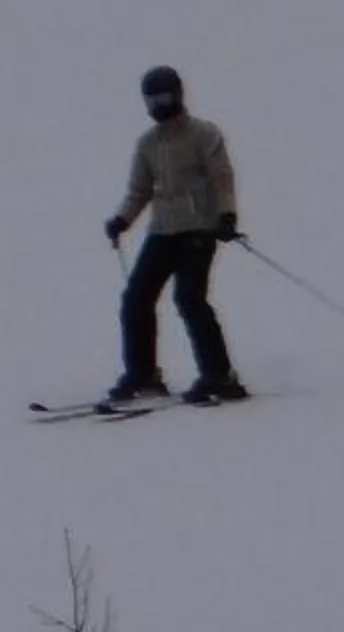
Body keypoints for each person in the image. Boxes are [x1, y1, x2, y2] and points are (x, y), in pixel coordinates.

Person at [103, 65, 250, 405]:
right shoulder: (148, 144)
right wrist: (122, 219)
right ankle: (143, 373)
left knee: (189, 297)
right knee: (136, 298)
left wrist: (226, 215)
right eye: (152, 99)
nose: (159, 105)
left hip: (200, 228)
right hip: (163, 231)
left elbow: (221, 178)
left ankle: (219, 374)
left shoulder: (203, 134)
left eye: (165, 96)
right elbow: (139, 190)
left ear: (179, 95)